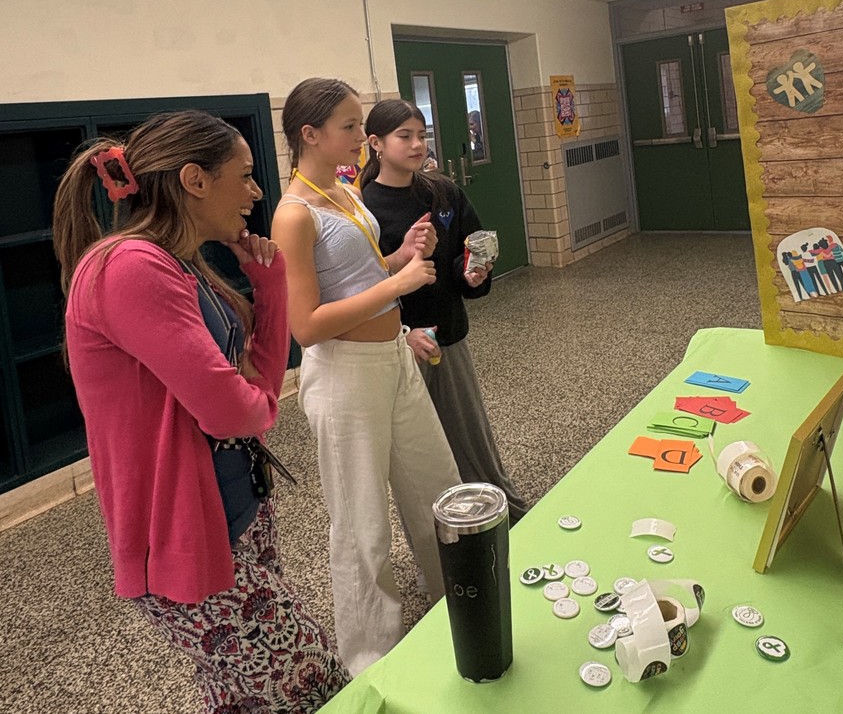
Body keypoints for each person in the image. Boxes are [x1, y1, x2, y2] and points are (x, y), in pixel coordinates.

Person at [53, 110, 348, 713]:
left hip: (236, 513)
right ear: (194, 180)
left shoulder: (185, 264)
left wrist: (268, 288)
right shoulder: (129, 267)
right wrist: (254, 405)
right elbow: (235, 412)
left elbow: (253, 390)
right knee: (315, 686)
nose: (257, 191)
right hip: (184, 535)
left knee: (242, 699)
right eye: (243, 176)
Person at [272, 78, 461, 676]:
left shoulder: (345, 193)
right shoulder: (294, 214)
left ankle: (456, 600)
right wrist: (396, 285)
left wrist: (399, 255)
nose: (362, 137)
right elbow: (305, 326)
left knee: (438, 485)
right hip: (344, 376)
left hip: (393, 359)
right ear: (311, 134)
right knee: (361, 524)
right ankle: (369, 659)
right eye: (351, 127)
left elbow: (359, 275)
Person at [360, 99, 528, 523]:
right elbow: (362, 284)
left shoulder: (443, 192)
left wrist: (472, 272)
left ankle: (500, 514)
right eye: (405, 136)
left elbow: (470, 249)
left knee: (471, 437)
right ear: (376, 143)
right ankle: (443, 533)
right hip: (395, 347)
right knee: (418, 453)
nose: (417, 144)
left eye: (422, 134)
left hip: (447, 335)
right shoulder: (362, 208)